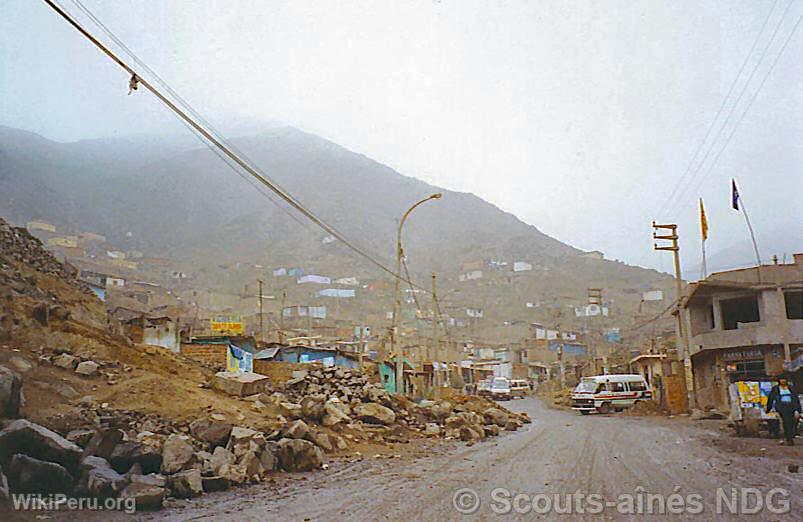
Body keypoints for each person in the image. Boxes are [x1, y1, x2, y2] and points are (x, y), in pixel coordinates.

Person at [765, 378, 801, 445]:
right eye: (781, 379)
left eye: (784, 379)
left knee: (791, 423)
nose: (783, 381)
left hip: (791, 407)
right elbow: (771, 398)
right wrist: (768, 408)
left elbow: (796, 398)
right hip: (781, 407)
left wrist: (798, 409)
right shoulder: (776, 388)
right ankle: (788, 438)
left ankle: (790, 437)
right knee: (785, 422)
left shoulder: (791, 388)